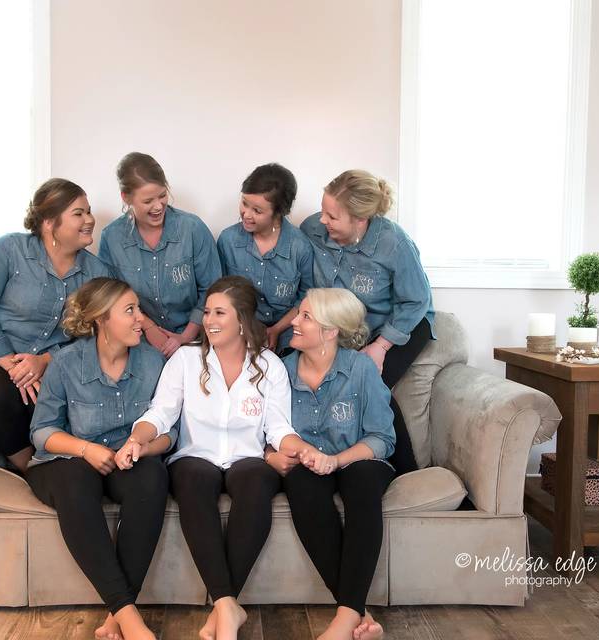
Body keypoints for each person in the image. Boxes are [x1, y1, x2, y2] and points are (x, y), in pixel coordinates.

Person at [133, 275, 322, 640]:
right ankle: (227, 605)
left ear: (242, 321)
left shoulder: (270, 365)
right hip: (195, 455)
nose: (209, 320)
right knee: (192, 480)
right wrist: (138, 439)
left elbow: (278, 429)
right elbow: (160, 414)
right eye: (207, 312)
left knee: (256, 483)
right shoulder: (186, 361)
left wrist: (299, 448)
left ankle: (222, 608)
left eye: (220, 312)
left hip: (248, 458)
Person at [27, 278, 170, 640]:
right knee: (75, 481)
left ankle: (114, 617)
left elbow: (170, 433)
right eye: (130, 310)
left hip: (127, 461)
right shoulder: (65, 362)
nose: (142, 319)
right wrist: (86, 449)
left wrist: (139, 447)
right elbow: (42, 431)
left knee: (152, 478)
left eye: (139, 308)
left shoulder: (154, 362)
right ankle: (128, 616)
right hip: (69, 461)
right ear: (100, 319)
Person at [0, 179, 112, 473]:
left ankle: (62, 468)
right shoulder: (9, 250)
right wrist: (14, 366)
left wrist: (46, 361)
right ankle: (31, 470)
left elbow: (95, 334)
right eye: (78, 213)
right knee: (1, 397)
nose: (89, 220)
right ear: (50, 223)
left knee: (56, 405)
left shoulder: (96, 273)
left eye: (89, 211)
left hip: (42, 361)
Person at [266, 288, 395, 640]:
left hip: (357, 460)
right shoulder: (279, 370)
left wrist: (336, 460)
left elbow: (382, 438)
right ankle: (358, 612)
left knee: (363, 482)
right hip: (306, 465)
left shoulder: (361, 368)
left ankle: (343, 620)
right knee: (302, 486)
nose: (293, 320)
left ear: (331, 330)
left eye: (305, 316)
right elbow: (266, 429)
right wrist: (273, 455)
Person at [300, 170, 434, 475]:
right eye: (323, 211)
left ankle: (407, 473)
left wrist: (382, 346)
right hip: (351, 329)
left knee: (369, 382)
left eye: (332, 216)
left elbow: (416, 301)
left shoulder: (393, 243)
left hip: (403, 325)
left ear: (360, 220)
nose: (322, 220)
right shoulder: (313, 229)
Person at [98, 152, 222, 358]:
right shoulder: (112, 237)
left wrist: (185, 337)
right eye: (148, 201)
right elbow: (112, 296)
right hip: (139, 337)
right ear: (126, 198)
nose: (158, 206)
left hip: (196, 336)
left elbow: (212, 289)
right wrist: (148, 327)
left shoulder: (192, 228)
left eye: (162, 195)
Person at [216, 163, 313, 353]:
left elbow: (305, 298)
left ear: (279, 212)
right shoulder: (228, 240)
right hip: (240, 327)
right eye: (244, 203)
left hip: (287, 330)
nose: (247, 214)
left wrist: (276, 330)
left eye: (257, 211)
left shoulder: (300, 247)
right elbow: (221, 295)